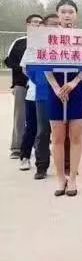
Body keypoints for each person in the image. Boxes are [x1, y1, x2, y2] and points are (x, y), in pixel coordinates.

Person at [43, 0, 82, 196]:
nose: (67, 15)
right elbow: (43, 63)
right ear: (57, 14)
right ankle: (60, 178)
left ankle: (73, 179)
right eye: (63, 11)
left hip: (77, 89)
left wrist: (74, 82)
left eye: (71, 11)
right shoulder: (48, 38)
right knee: (57, 137)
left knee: (76, 136)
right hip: (55, 90)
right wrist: (56, 87)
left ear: (76, 15)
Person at [5, 14, 43, 159]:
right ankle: (17, 147)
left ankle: (40, 146)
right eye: (35, 22)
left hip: (40, 85)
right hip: (21, 84)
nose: (38, 24)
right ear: (27, 24)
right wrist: (25, 71)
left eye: (40, 22)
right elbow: (9, 62)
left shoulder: (46, 42)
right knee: (20, 115)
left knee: (40, 117)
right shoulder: (19, 42)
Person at [28, 14, 60, 179]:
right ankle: (41, 166)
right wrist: (42, 83)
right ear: (44, 26)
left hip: (64, 93)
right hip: (44, 94)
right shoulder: (36, 46)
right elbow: (29, 70)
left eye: (59, 24)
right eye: (53, 24)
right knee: (43, 131)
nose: (57, 27)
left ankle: (66, 164)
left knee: (64, 132)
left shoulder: (68, 44)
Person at [15, 15, 43, 171]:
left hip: (53, 94)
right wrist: (36, 80)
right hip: (34, 93)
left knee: (47, 129)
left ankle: (43, 158)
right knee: (31, 126)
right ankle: (25, 156)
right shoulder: (32, 46)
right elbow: (25, 68)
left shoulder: (58, 45)